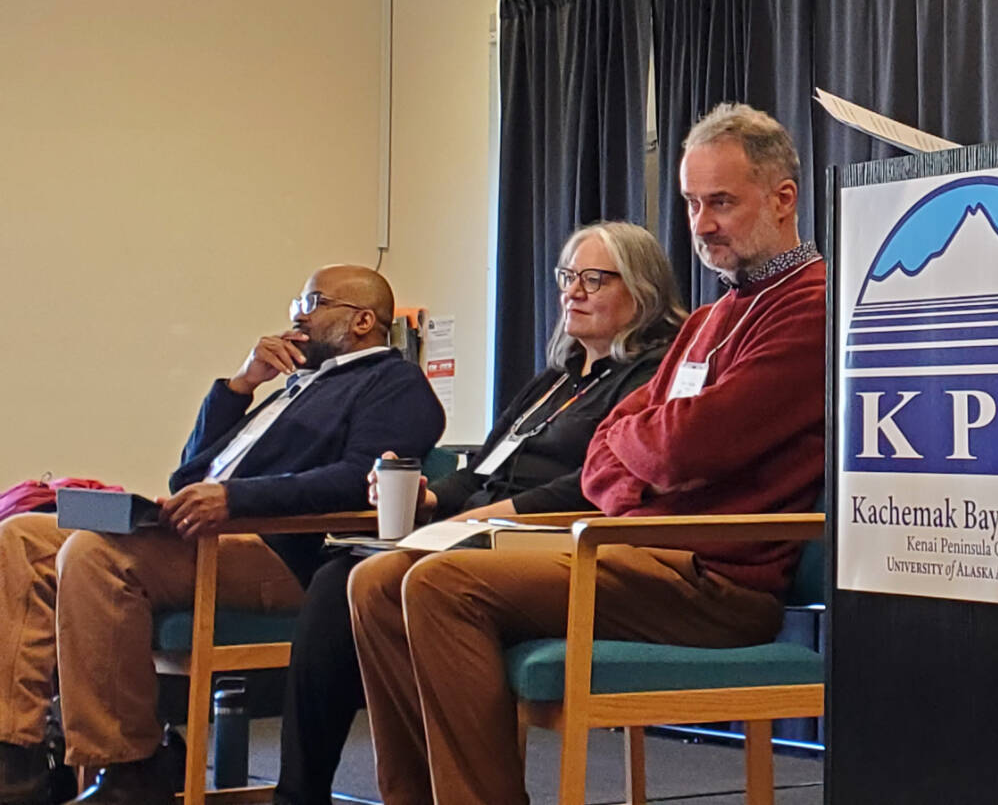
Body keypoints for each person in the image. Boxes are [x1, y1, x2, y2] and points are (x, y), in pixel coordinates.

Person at [347, 104, 826, 805]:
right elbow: (615, 459)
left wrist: (643, 455)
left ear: (783, 197)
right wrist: (644, 454)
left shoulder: (812, 305)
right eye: (692, 203)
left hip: (714, 582)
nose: (701, 224)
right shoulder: (708, 318)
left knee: (442, 585)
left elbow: (681, 451)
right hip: (636, 553)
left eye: (721, 202)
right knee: (376, 583)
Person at [273, 223, 685, 805]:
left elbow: (592, 486)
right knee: (337, 577)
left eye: (594, 279)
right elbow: (481, 466)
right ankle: (335, 793)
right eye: (568, 277)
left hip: (549, 539)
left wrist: (477, 520)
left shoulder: (650, 377)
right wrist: (428, 497)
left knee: (369, 580)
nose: (573, 291)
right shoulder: (554, 381)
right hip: (476, 529)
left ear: (642, 292)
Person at [0, 265, 443, 805]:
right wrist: (241, 385)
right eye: (295, 303)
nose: (296, 316)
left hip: (278, 551)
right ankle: (14, 759)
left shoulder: (394, 383)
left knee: (96, 554)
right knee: (21, 537)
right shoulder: (294, 388)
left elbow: (361, 477)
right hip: (208, 535)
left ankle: (129, 770)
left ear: (362, 320)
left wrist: (237, 500)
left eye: (312, 302)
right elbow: (188, 476)